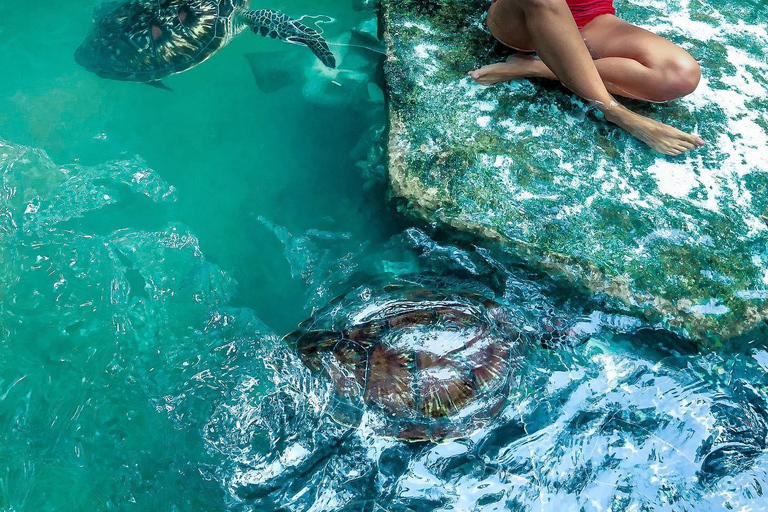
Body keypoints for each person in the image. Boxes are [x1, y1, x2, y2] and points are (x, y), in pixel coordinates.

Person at [468, 0, 705, 156]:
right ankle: (615, 111)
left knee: (679, 75)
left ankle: (535, 67)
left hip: (589, 16)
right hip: (522, 16)